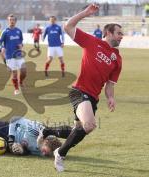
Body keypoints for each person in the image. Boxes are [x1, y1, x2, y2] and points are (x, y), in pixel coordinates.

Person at [53, 4, 123, 172]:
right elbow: (68, 26)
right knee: (90, 125)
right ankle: (60, 153)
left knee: (78, 129)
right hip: (79, 91)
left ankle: (46, 131)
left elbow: (109, 85)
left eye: (122, 34)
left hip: (93, 98)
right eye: (119, 33)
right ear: (108, 33)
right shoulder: (92, 42)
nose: (122, 36)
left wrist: (111, 97)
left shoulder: (117, 59)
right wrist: (85, 13)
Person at [0, 14, 26, 95]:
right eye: (10, 20)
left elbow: (21, 41)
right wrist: (2, 47)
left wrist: (21, 45)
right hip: (9, 56)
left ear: (16, 21)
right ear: (8, 21)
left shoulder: (19, 31)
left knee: (24, 71)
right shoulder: (5, 31)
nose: (12, 21)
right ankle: (16, 89)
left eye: (13, 20)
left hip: (18, 54)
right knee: (14, 73)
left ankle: (21, 81)